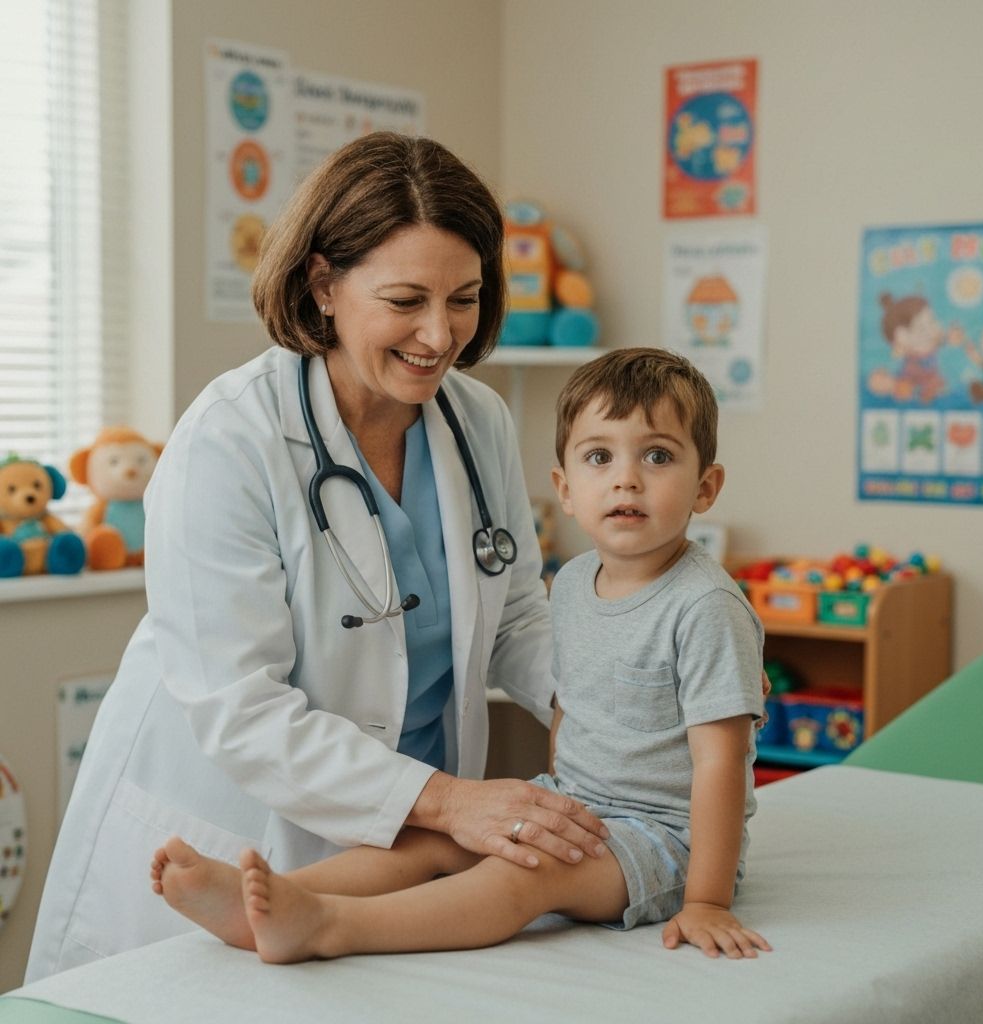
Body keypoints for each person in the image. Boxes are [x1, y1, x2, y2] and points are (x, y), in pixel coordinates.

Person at [25, 132, 612, 982]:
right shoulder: (230, 439)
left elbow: (518, 613)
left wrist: (613, 697)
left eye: (465, 298)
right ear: (323, 283)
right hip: (241, 824)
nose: (439, 334)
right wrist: (453, 803)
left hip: (399, 843)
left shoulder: (474, 420)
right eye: (406, 299)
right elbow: (241, 709)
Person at [149, 346, 772, 962]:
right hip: (586, 809)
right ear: (566, 489)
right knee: (430, 841)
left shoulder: (707, 606)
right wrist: (557, 799)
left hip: (665, 840)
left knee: (523, 874)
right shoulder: (579, 581)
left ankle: (329, 926)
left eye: (658, 455)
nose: (626, 477)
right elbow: (571, 702)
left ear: (706, 487)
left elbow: (722, 763)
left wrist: (707, 901)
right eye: (599, 457)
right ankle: (264, 900)